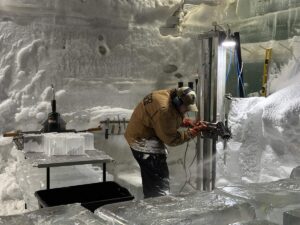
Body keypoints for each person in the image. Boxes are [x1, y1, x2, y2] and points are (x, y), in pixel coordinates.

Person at [124, 86, 207, 198]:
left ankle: (152, 203)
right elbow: (171, 139)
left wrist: (185, 122)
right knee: (159, 188)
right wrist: (192, 132)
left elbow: (166, 117)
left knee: (152, 183)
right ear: (178, 101)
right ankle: (157, 209)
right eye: (186, 108)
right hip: (144, 143)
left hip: (137, 136)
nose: (187, 110)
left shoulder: (168, 94)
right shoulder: (164, 110)